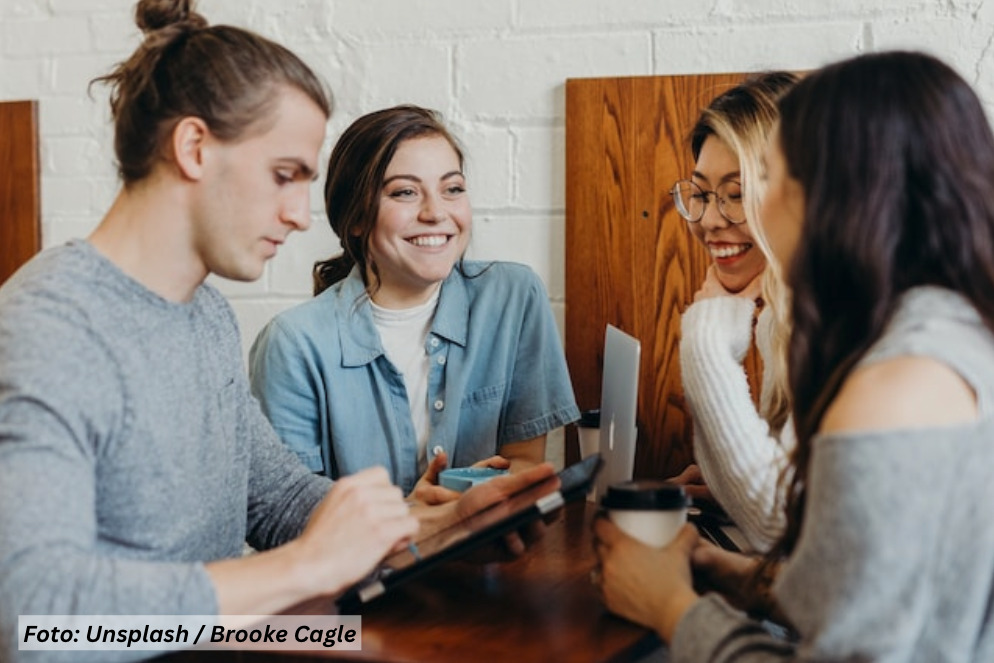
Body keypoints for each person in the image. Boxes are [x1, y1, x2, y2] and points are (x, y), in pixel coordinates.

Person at [0, 3, 553, 662]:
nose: (298, 215)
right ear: (194, 147)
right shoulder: (47, 328)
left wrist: (430, 530)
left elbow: (277, 497)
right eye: (284, 175)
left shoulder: (202, 315)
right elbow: (34, 616)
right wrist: (306, 567)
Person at [594, 50, 994, 660]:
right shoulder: (945, 332)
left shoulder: (895, 385)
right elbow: (876, 600)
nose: (726, 216)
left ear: (840, 193)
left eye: (768, 177)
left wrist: (672, 608)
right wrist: (734, 575)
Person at [249, 104, 580, 498]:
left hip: (487, 552)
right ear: (355, 217)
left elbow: (525, 462)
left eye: (452, 189)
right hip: (364, 561)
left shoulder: (513, 297)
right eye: (405, 192)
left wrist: (477, 500)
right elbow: (287, 512)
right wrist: (417, 518)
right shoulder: (292, 344)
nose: (436, 212)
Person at [670, 72, 797, 552]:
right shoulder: (782, 317)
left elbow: (777, 527)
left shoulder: (840, 320)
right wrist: (728, 486)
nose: (708, 220)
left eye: (737, 193)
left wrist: (705, 337)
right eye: (700, 194)